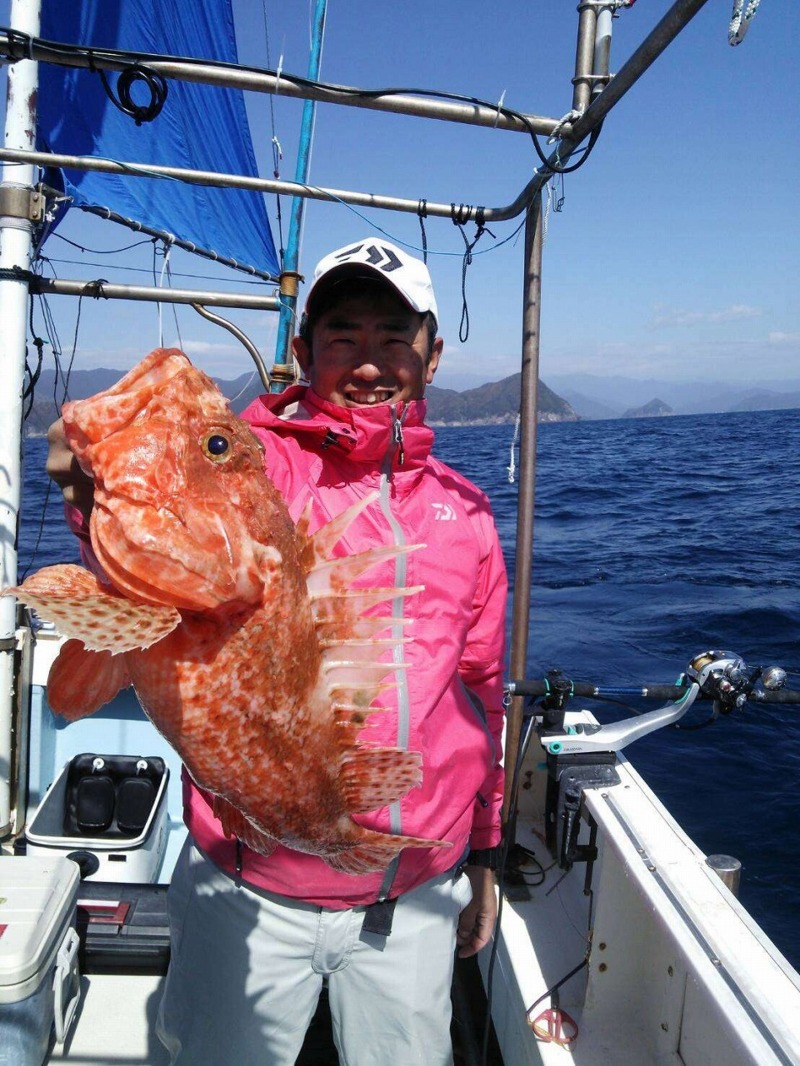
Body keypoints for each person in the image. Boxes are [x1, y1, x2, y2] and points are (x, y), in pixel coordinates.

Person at [46, 237, 508, 1066]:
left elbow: (480, 691)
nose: (369, 362)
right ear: (303, 352)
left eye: (394, 336)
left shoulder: (467, 515)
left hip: (410, 891)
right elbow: (167, 532)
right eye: (343, 335)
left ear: (432, 354)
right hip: (245, 888)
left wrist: (484, 853)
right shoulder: (264, 469)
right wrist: (86, 494)